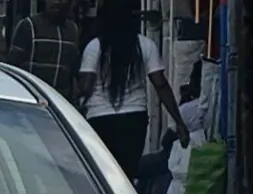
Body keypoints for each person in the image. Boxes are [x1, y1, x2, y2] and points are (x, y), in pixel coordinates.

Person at [77, 0, 190, 181]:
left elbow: (85, 88)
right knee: (126, 175)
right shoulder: (145, 45)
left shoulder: (94, 47)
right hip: (134, 119)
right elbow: (161, 85)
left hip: (100, 119)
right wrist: (179, 122)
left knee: (102, 175)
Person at [9, 0, 82, 101]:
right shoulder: (29, 25)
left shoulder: (72, 30)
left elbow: (73, 68)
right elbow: (13, 65)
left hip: (60, 100)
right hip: (31, 96)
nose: (55, 2)